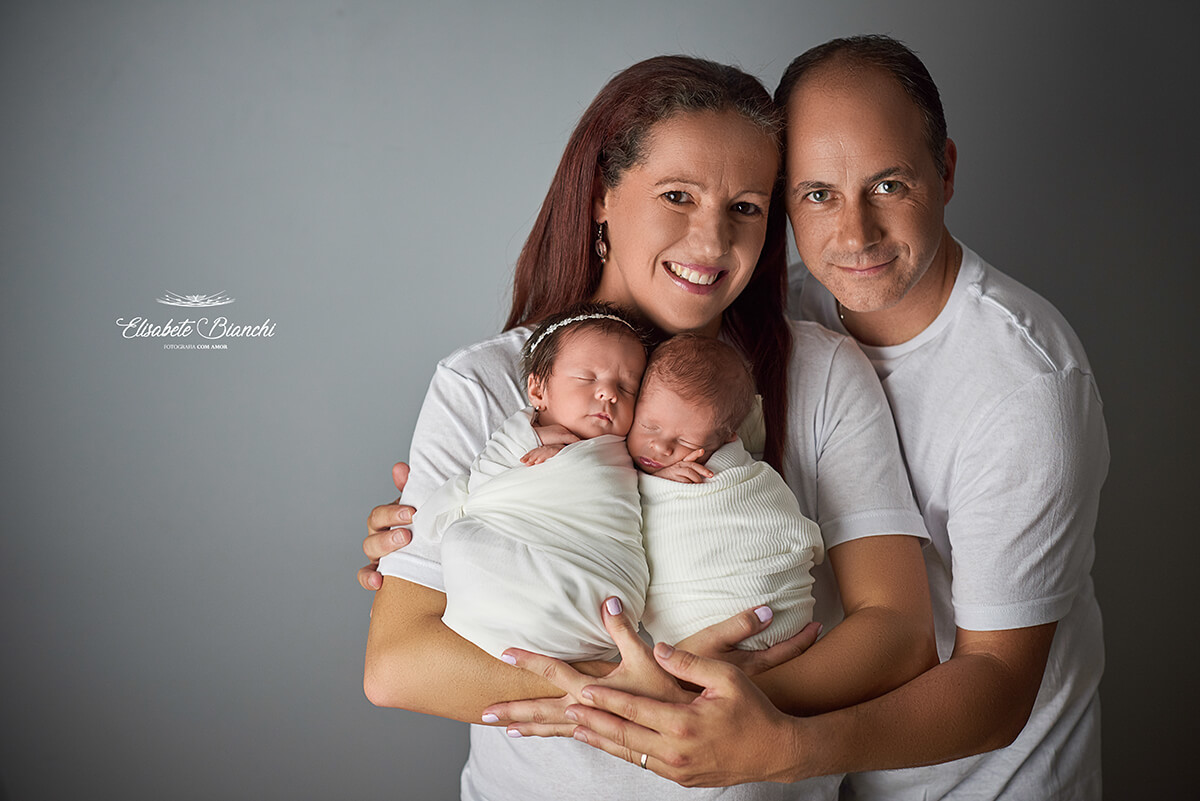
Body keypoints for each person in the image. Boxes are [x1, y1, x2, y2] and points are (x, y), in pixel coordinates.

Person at [505, 36, 1107, 801]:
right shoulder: (783, 314)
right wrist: (454, 516)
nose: (854, 235)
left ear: (946, 171)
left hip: (980, 778)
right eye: (818, 194)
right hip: (833, 773)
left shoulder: (1022, 386)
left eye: (888, 184)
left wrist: (779, 745)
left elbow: (997, 685)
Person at [362, 55, 935, 801]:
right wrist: (632, 693)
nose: (713, 240)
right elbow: (399, 663)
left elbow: (899, 633)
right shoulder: (487, 384)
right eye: (677, 195)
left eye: (746, 207)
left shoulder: (820, 373)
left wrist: (732, 705)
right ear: (602, 195)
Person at [413, 303, 651, 662]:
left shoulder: (628, 451)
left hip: (601, 580)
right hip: (532, 567)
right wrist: (526, 441)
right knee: (463, 541)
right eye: (588, 379)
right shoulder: (515, 436)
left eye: (627, 387)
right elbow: (483, 483)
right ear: (538, 390)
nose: (609, 393)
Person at [632, 334, 824, 651]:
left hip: (770, 610)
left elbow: (782, 523)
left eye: (686, 443)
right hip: (697, 631)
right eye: (649, 427)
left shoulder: (744, 477)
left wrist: (651, 484)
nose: (661, 447)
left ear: (726, 439)